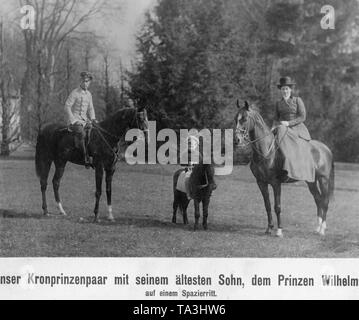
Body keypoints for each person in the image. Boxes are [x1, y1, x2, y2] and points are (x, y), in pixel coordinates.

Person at [274, 76, 315, 182]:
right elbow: (276, 118)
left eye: (287, 89)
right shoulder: (278, 103)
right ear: (281, 90)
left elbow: (302, 117)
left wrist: (288, 123)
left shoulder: (297, 100)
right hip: (282, 128)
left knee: (283, 131)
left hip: (297, 128)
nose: (285, 91)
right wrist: (273, 127)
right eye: (283, 89)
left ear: (290, 90)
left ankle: (293, 168)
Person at [64, 71, 97, 168]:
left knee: (94, 132)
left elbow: (91, 108)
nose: (85, 83)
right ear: (81, 81)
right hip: (74, 121)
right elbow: (67, 106)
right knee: (81, 133)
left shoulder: (89, 94)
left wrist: (93, 118)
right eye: (84, 81)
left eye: (87, 81)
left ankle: (93, 156)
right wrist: (73, 120)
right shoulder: (75, 92)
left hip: (85, 120)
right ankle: (84, 158)